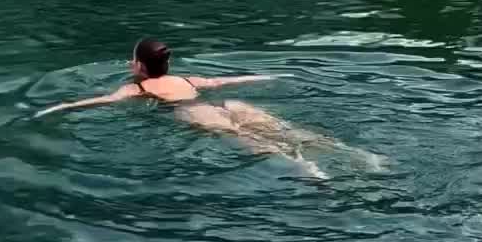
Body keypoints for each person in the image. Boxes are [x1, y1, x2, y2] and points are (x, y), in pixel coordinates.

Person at [38, 36, 340, 178]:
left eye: (132, 59)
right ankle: (356, 155)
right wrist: (269, 74)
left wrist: (61, 106)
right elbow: (227, 81)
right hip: (227, 103)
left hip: (193, 111)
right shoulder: (187, 77)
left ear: (140, 66)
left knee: (246, 139)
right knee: (287, 130)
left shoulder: (136, 87)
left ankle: (307, 168)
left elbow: (101, 101)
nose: (130, 63)